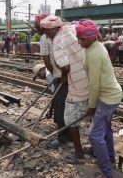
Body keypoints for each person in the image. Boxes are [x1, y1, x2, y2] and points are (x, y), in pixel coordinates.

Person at [73, 19, 122, 178]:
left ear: (93, 36)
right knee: (105, 129)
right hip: (110, 94)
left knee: (94, 135)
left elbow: (94, 85)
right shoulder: (94, 46)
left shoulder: (94, 52)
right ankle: (111, 161)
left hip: (107, 96)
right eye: (78, 38)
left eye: (83, 39)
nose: (80, 42)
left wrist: (92, 107)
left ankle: (107, 172)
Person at [41, 15, 89, 164]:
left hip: (74, 81)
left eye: (47, 31)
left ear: (55, 28)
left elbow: (65, 66)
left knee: (67, 115)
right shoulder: (70, 30)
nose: (46, 34)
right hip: (86, 76)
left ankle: (76, 150)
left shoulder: (57, 42)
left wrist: (62, 75)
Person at [35, 13, 69, 149]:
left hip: (60, 75)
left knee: (61, 107)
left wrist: (57, 74)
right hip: (67, 74)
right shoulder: (64, 33)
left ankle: (63, 138)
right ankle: (68, 134)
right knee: (67, 105)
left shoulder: (44, 38)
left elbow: (47, 61)